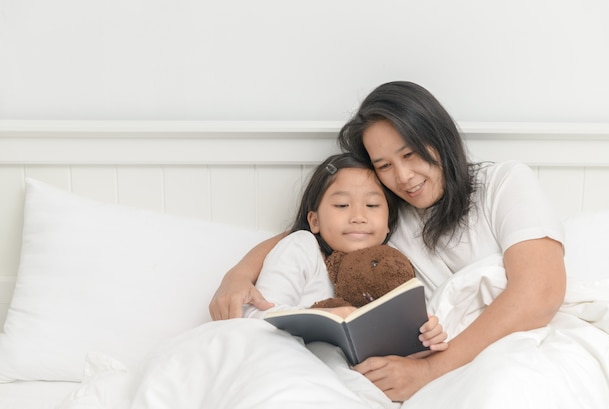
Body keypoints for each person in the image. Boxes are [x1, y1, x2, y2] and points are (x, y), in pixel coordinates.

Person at [209, 81, 566, 402]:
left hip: (502, 348)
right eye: (384, 165)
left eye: (410, 155)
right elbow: (310, 229)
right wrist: (238, 275)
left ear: (439, 137)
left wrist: (429, 372)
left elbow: (540, 293)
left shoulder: (503, 183)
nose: (404, 177)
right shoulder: (388, 209)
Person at [242, 153, 447, 354]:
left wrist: (427, 336)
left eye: (372, 205)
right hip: (295, 362)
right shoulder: (301, 247)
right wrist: (325, 317)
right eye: (342, 205)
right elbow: (258, 317)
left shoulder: (391, 266)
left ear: (388, 225)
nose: (358, 217)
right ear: (314, 221)